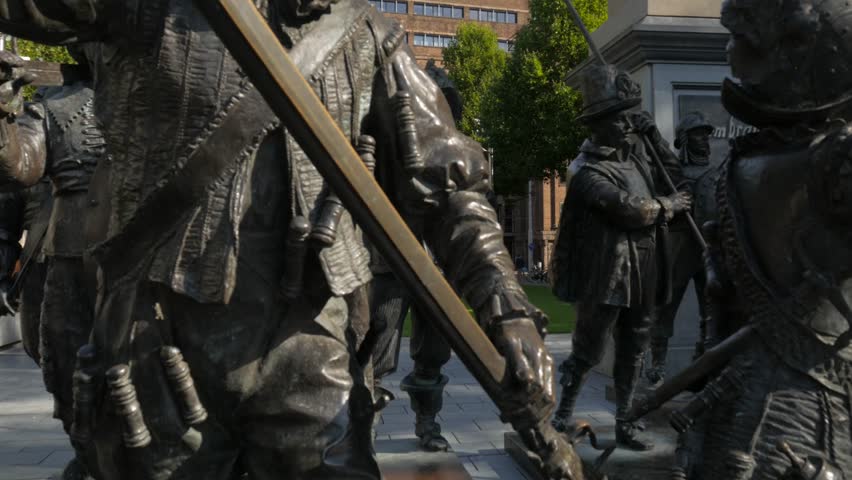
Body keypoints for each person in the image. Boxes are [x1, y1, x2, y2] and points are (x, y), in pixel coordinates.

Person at [0, 2, 555, 478]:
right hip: (159, 341)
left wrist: (505, 306)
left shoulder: (365, 33)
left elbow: (449, 182)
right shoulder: (144, 9)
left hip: (312, 347)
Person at [679, 0, 852, 477]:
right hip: (785, 402)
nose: (730, 52)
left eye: (745, 42)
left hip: (792, 399)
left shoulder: (830, 159)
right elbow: (723, 296)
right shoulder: (754, 162)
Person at [550, 63, 692, 450]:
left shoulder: (639, 160)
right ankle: (562, 414)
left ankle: (626, 421)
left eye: (631, 119)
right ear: (599, 124)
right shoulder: (587, 170)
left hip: (645, 268)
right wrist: (667, 206)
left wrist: (656, 139)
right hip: (608, 273)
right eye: (621, 119)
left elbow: (679, 180)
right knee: (589, 347)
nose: (627, 125)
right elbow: (629, 208)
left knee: (635, 347)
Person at [0, 60, 103, 479]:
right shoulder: (55, 104)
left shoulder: (159, 88)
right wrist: (4, 114)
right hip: (62, 250)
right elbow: (19, 168)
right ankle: (89, 451)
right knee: (58, 360)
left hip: (142, 251)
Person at [646, 112, 718, 384]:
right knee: (666, 305)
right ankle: (658, 365)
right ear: (685, 139)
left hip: (709, 248)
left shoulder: (717, 172)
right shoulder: (673, 174)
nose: (705, 139)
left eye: (707, 134)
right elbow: (656, 203)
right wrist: (672, 203)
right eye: (698, 134)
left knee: (711, 308)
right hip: (680, 248)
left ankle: (705, 361)